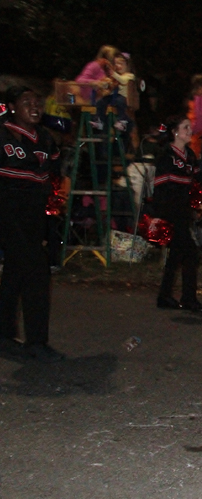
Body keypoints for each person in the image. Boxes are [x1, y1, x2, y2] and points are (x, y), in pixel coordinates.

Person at [0, 87, 66, 362]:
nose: (34, 105)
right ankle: (36, 341)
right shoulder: (2, 134)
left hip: (34, 213)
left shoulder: (46, 139)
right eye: (27, 101)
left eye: (37, 101)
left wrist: (55, 202)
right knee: (37, 267)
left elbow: (54, 176)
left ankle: (3, 336)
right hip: (6, 211)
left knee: (15, 271)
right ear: (12, 107)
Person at [153, 115, 202, 312]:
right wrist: (158, 215)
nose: (189, 131)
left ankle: (164, 296)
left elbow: (196, 183)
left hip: (184, 212)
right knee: (190, 253)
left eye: (189, 128)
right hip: (170, 212)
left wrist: (197, 205)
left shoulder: (190, 156)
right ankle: (189, 299)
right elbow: (159, 189)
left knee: (176, 256)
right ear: (175, 132)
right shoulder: (166, 156)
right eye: (185, 128)